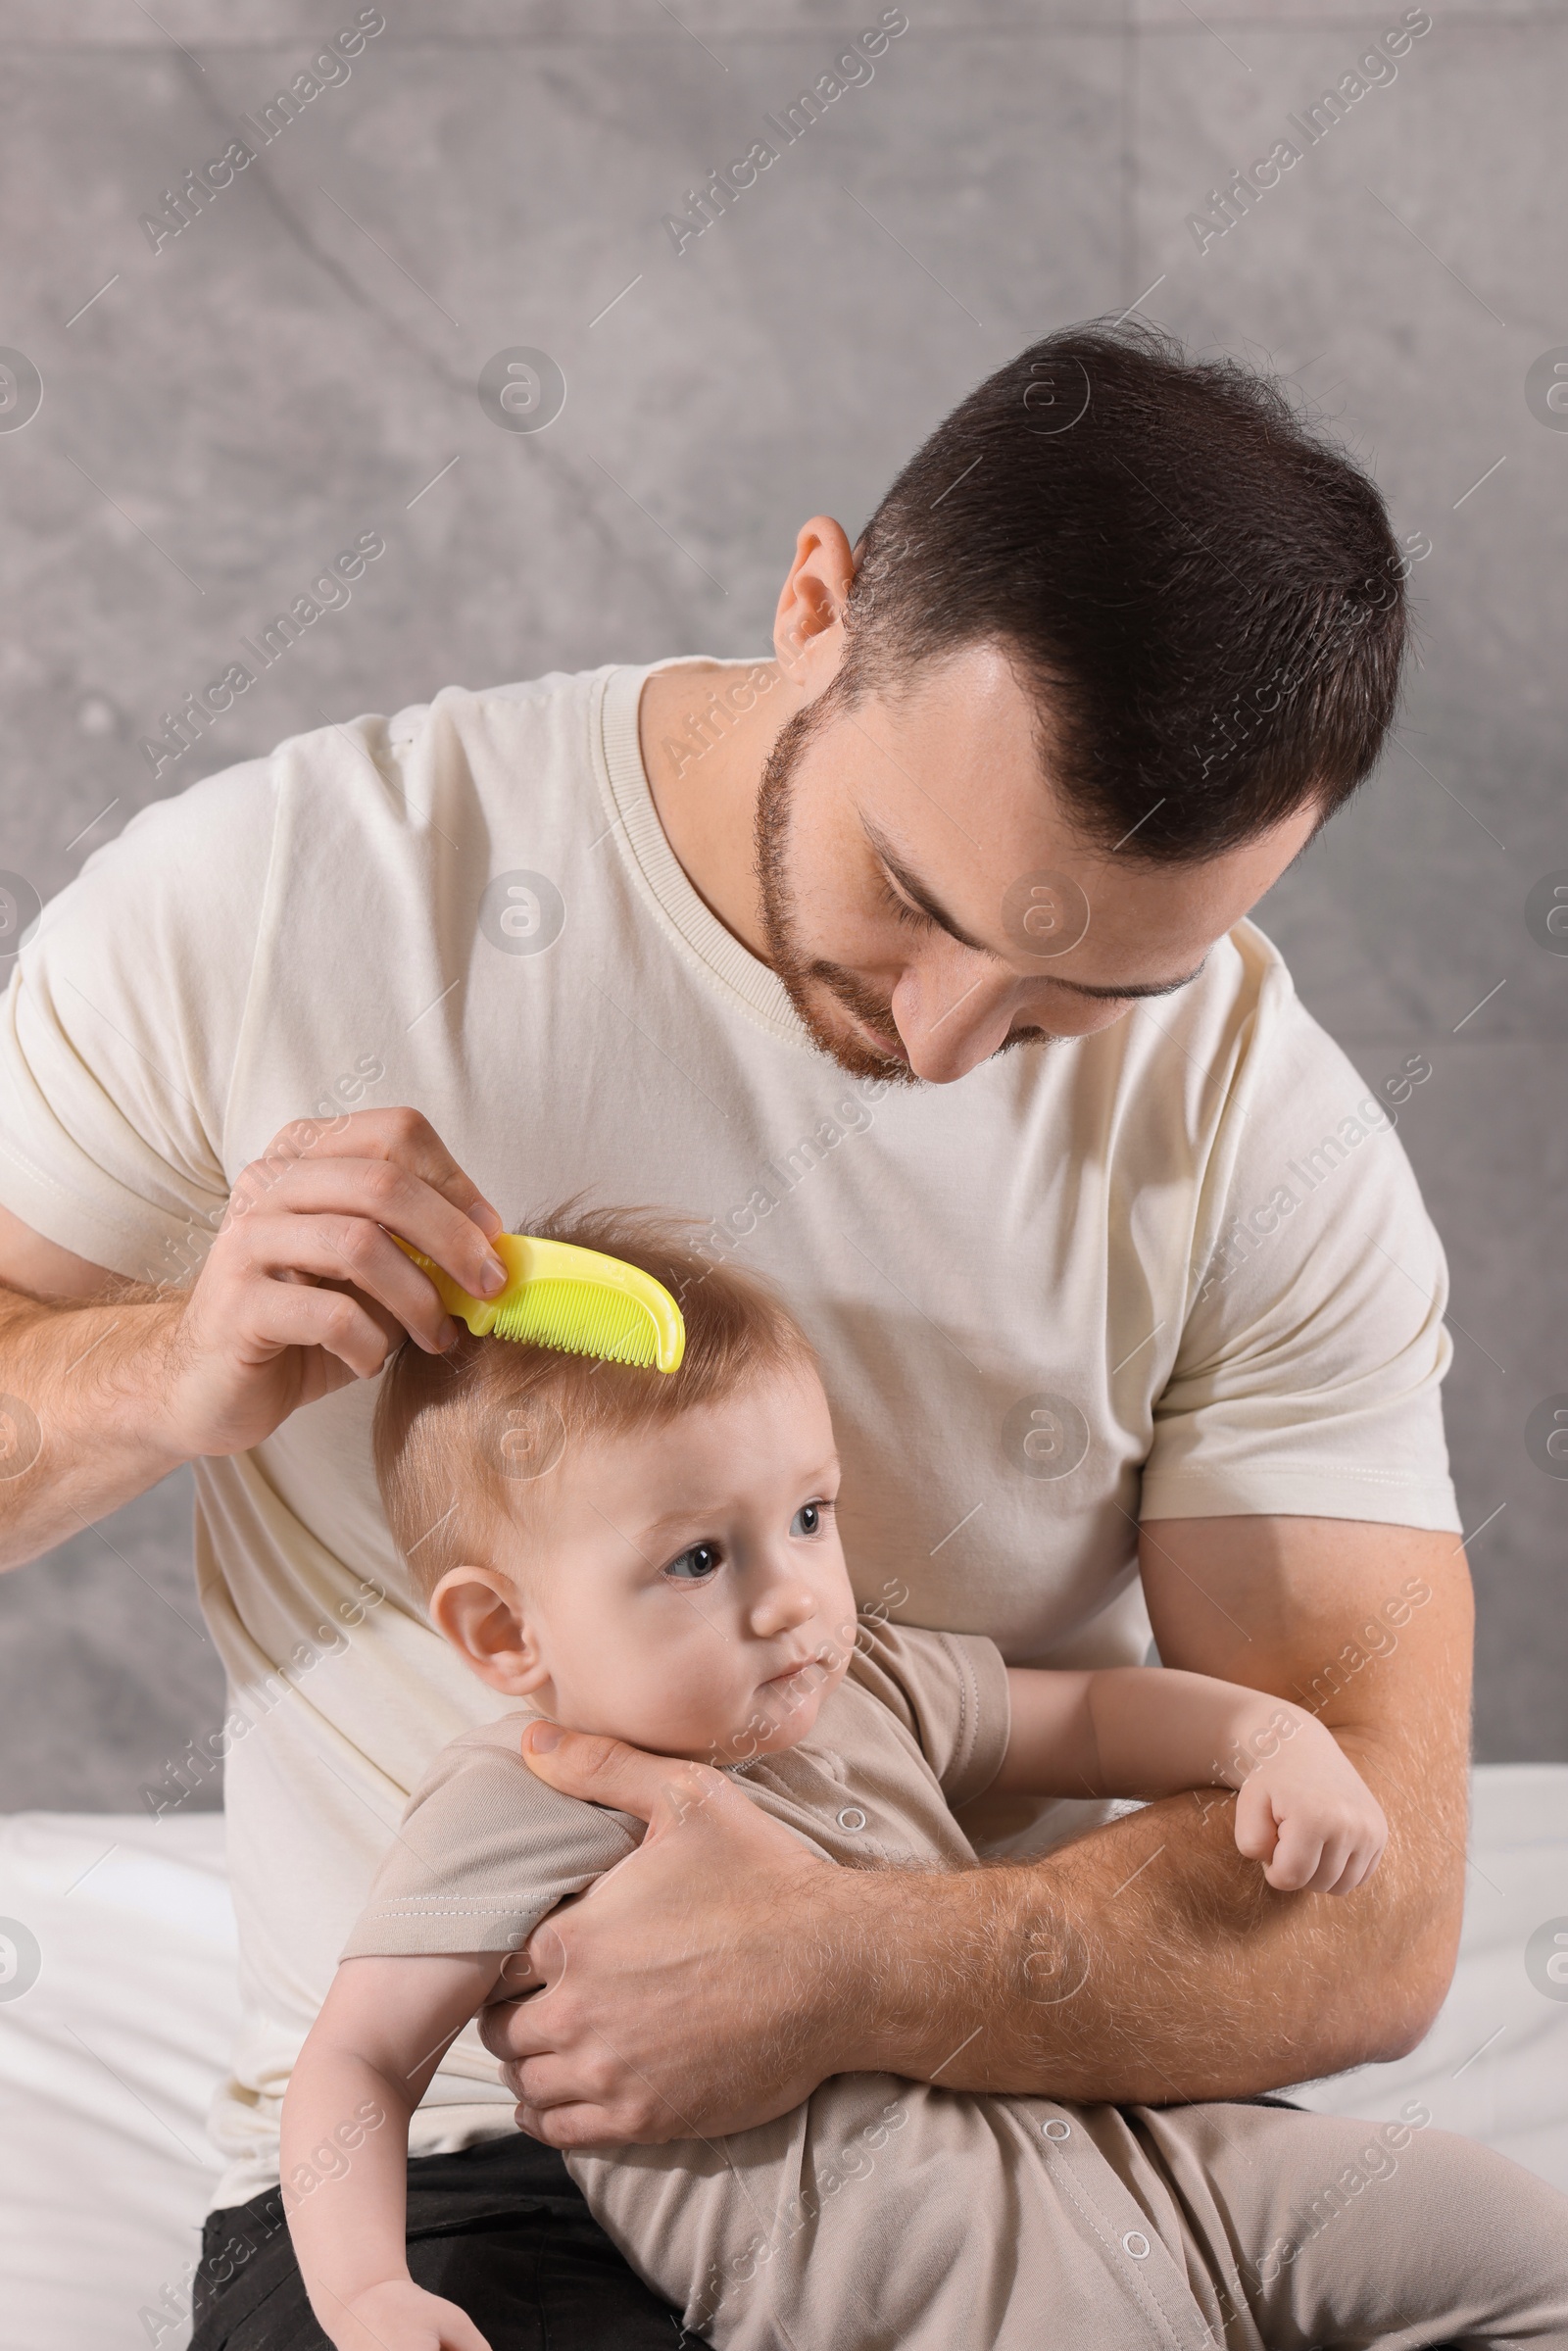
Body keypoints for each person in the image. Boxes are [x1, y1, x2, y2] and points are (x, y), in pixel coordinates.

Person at [0, 322, 1477, 2347]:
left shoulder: (1259, 1133)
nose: (948, 1044)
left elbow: (1372, 1911)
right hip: (482, 2163)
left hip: (1027, 2131)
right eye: (914, 897)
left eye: (1082, 996)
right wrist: (153, 1370)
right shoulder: (267, 908)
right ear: (814, 608)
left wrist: (858, 1969)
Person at [279, 1209, 1568, 2351]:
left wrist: (1270, 1742)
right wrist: (365, 2294)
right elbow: (361, 2065)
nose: (792, 1600)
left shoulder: (867, 1683)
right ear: (507, 1635)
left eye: (808, 1518)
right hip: (948, 2299)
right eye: (695, 1561)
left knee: (1516, 2239)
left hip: (1149, 2167)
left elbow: (1105, 1719)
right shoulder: (525, 1799)